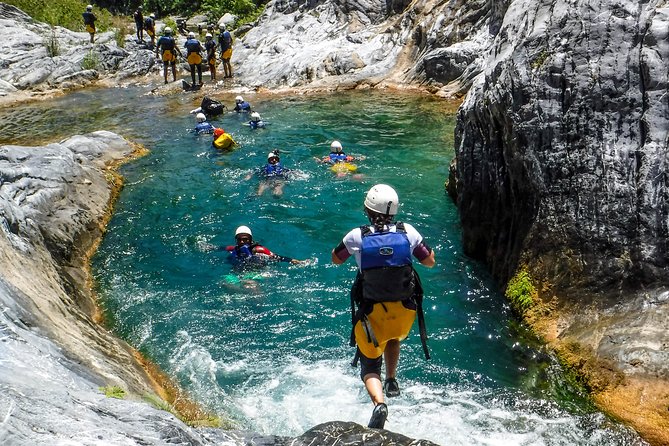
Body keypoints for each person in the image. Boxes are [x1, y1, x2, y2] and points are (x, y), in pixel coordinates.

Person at [331, 184, 436, 430]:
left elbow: (336, 259)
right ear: (394, 211)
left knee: (369, 366)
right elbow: (429, 261)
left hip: (372, 313)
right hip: (404, 312)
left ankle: (379, 403)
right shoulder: (407, 231)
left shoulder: (357, 236)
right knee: (393, 336)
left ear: (368, 209)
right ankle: (391, 379)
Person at [221, 226, 307, 290]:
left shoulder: (259, 250)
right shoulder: (233, 249)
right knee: (225, 283)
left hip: (254, 273)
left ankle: (258, 308)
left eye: (245, 239)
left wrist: (292, 261)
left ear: (250, 239)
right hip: (238, 273)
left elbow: (276, 257)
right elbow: (221, 248)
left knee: (250, 285)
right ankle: (240, 296)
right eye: (239, 239)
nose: (242, 242)